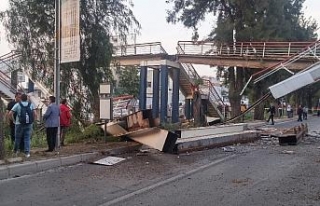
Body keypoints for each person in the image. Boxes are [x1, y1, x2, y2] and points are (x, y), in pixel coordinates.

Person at [9, 93, 36, 158]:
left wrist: (13, 120)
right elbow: (35, 114)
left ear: (21, 98)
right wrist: (32, 121)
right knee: (27, 138)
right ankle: (27, 153)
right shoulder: (31, 104)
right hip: (29, 124)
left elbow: (10, 113)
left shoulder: (17, 104)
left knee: (17, 138)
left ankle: (15, 152)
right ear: (27, 98)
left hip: (19, 124)